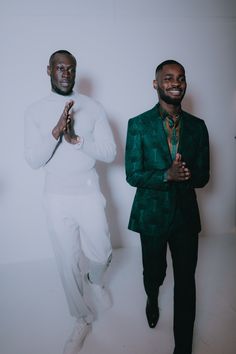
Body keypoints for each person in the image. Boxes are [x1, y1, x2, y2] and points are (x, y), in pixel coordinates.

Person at [24, 50, 116, 353]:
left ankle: (95, 278)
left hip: (88, 191)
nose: (66, 73)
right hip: (56, 196)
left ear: (76, 72)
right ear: (49, 71)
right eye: (60, 68)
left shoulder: (92, 107)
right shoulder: (35, 111)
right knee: (66, 262)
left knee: (102, 250)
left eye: (71, 68)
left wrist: (77, 141)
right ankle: (81, 318)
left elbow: (110, 153)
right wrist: (56, 132)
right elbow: (34, 160)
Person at [125, 60, 210, 354]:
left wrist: (186, 174)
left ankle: (183, 346)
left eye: (181, 78)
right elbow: (132, 174)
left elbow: (203, 176)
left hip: (186, 216)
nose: (176, 83)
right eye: (169, 78)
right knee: (155, 273)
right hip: (151, 216)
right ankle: (152, 296)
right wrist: (166, 175)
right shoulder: (138, 125)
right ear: (156, 84)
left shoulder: (198, 127)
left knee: (186, 281)